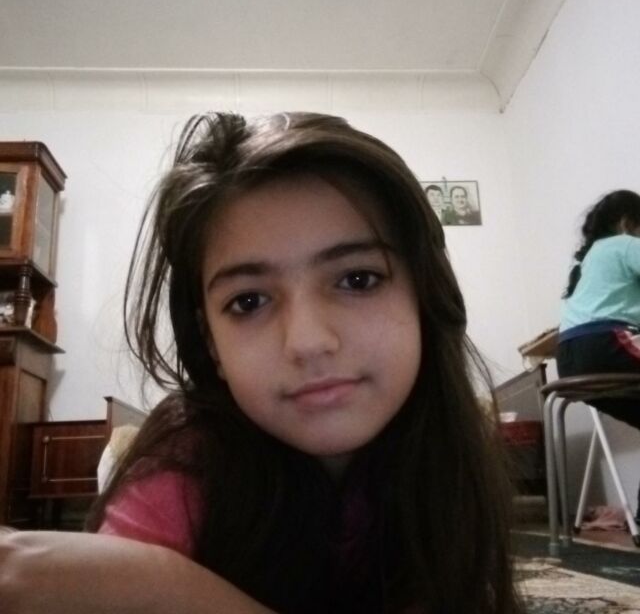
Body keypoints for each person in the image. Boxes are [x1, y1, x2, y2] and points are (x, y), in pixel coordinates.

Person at [0, 112, 522, 614]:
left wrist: (169, 590)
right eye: (248, 302)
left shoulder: (448, 458)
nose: (308, 342)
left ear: (424, 296)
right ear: (211, 344)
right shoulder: (184, 470)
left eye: (358, 279)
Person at [556, 189, 640, 520]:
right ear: (627, 222)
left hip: (569, 356)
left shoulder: (587, 260)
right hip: (606, 342)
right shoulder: (624, 244)